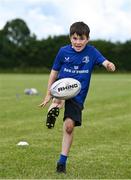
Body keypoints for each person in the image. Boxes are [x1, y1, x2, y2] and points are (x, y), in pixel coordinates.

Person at [39, 21, 116, 173]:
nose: (78, 42)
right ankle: (54, 107)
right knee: (59, 97)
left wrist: (109, 65)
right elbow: (54, 73)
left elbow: (105, 61)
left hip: (78, 94)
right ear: (70, 38)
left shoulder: (92, 52)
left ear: (87, 39)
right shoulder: (63, 52)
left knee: (68, 127)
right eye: (75, 38)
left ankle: (62, 162)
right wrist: (48, 93)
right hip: (62, 86)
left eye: (81, 39)